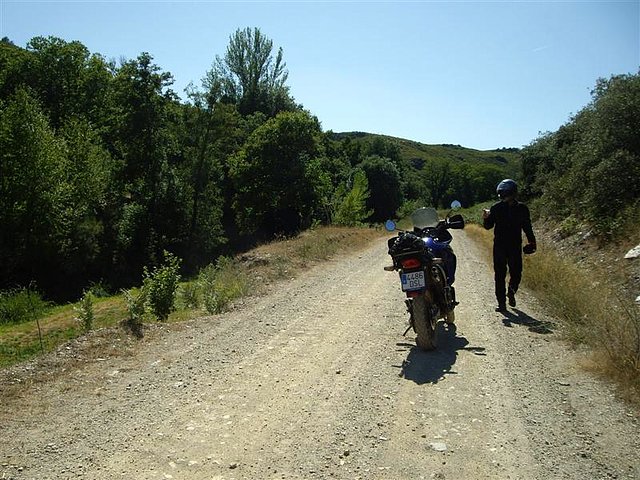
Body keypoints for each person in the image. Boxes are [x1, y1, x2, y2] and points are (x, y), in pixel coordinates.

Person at [482, 179, 537, 312]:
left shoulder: (522, 209)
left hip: (515, 246)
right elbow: (488, 226)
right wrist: (485, 217)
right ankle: (501, 304)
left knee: (516, 273)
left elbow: (527, 227)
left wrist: (532, 242)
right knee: (499, 275)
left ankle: (511, 292)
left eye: (504, 192)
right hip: (499, 246)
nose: (502, 195)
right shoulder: (496, 208)